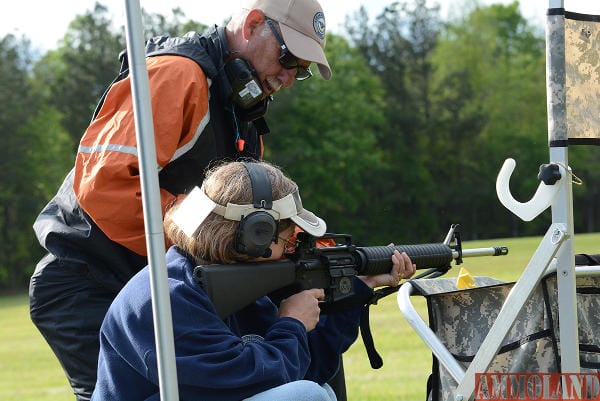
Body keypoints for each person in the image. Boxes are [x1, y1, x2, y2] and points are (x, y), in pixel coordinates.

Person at [30, 0, 333, 400]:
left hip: (160, 283)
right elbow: (108, 185)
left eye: (302, 69)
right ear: (254, 24)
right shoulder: (177, 74)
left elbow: (248, 219)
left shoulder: (241, 109)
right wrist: (214, 237)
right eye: (289, 56)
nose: (290, 76)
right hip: (91, 279)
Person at [90, 160, 416, 401]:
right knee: (306, 397)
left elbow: (304, 366)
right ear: (256, 236)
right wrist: (292, 323)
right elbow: (251, 379)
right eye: (287, 240)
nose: (291, 250)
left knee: (319, 390)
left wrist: (361, 286)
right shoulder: (165, 298)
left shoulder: (229, 284)